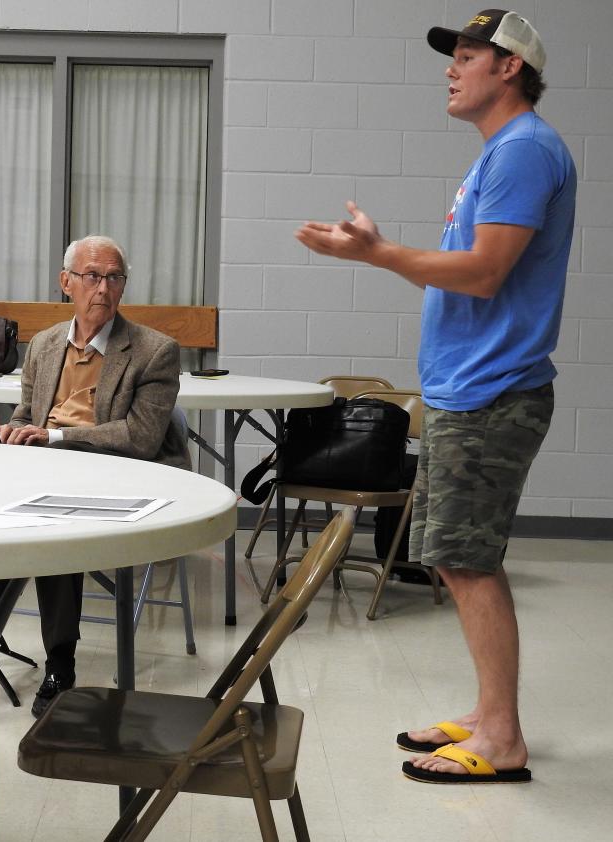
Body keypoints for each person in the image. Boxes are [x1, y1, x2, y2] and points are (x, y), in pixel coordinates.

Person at [295, 10, 575, 784]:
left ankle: (503, 740)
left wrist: (378, 254)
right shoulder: (502, 154)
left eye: (469, 56)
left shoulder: (522, 150)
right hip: (471, 390)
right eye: (451, 57)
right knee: (461, 560)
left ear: (509, 67)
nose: (452, 69)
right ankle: (491, 713)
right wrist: (382, 253)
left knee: (466, 562)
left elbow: (484, 272)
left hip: (492, 392)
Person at [0, 234, 190, 717]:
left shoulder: (154, 350)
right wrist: (14, 430)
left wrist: (56, 439)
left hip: (119, 477)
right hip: (48, 471)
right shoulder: (43, 346)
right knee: (8, 500)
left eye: (113, 277)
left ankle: (55, 659)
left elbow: (142, 437)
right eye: (92, 276)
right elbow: (27, 414)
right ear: (67, 283)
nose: (102, 288)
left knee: (53, 523)